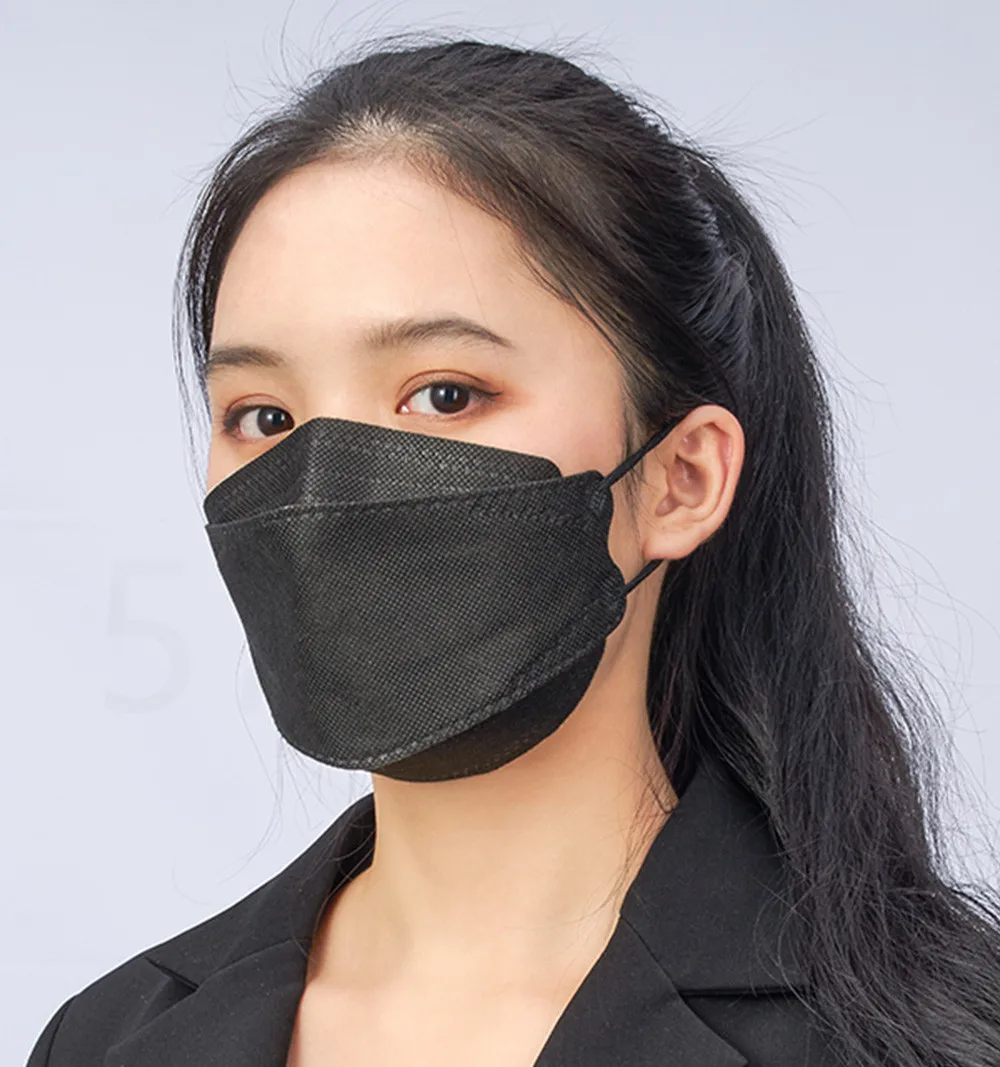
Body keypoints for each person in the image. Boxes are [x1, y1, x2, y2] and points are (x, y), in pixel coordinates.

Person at [26, 35, 1000, 1067]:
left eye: (444, 394)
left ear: (681, 478)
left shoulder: (922, 1038)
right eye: (263, 417)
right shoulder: (103, 1040)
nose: (321, 488)